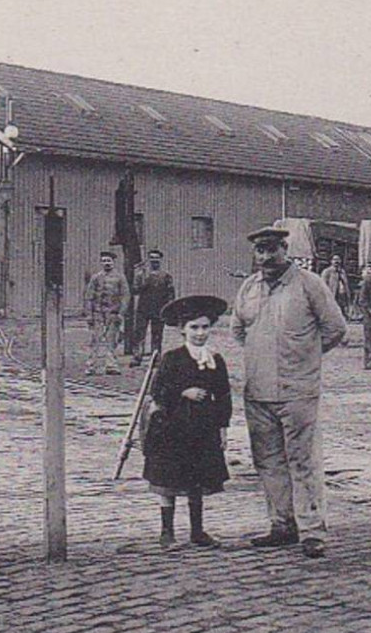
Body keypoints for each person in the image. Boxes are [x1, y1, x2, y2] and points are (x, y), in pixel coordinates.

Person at [232, 225, 347, 558]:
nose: (267, 257)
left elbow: (335, 329)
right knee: (268, 461)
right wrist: (262, 356)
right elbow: (238, 331)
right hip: (258, 392)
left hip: (298, 391)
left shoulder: (310, 285)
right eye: (261, 251)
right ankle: (282, 525)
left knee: (303, 460)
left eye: (273, 249)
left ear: (286, 249)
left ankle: (312, 530)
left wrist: (304, 357)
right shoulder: (248, 288)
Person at [142, 295, 232, 550]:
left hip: (203, 428)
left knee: (197, 478)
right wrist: (183, 392)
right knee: (169, 479)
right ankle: (167, 532)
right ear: (183, 329)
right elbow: (157, 391)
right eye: (194, 327)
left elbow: (224, 395)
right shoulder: (173, 358)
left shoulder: (215, 360)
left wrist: (223, 428)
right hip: (172, 428)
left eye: (205, 327)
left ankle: (197, 531)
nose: (200, 333)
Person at [84, 250, 131, 375]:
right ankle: (91, 366)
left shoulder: (120, 277)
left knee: (112, 340)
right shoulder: (96, 277)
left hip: (113, 314)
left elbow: (125, 296)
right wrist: (89, 314)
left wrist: (121, 313)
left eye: (109, 261)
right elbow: (89, 297)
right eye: (104, 261)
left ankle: (111, 365)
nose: (107, 263)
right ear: (101, 262)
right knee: (95, 340)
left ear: (113, 262)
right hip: (98, 314)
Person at [130, 248, 176, 366]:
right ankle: (137, 356)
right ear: (149, 260)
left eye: (156, 258)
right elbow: (135, 290)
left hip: (159, 309)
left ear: (160, 260)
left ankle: (155, 357)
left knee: (157, 334)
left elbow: (171, 293)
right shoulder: (142, 275)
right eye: (152, 258)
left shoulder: (166, 276)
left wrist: (169, 308)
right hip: (143, 309)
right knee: (139, 333)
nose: (154, 261)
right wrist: (139, 279)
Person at [320, 254, 352, 318]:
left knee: (341, 308)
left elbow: (346, 283)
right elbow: (323, 284)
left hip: (341, 294)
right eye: (334, 259)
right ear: (331, 261)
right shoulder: (327, 271)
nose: (336, 261)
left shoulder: (342, 271)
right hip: (332, 294)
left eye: (338, 259)